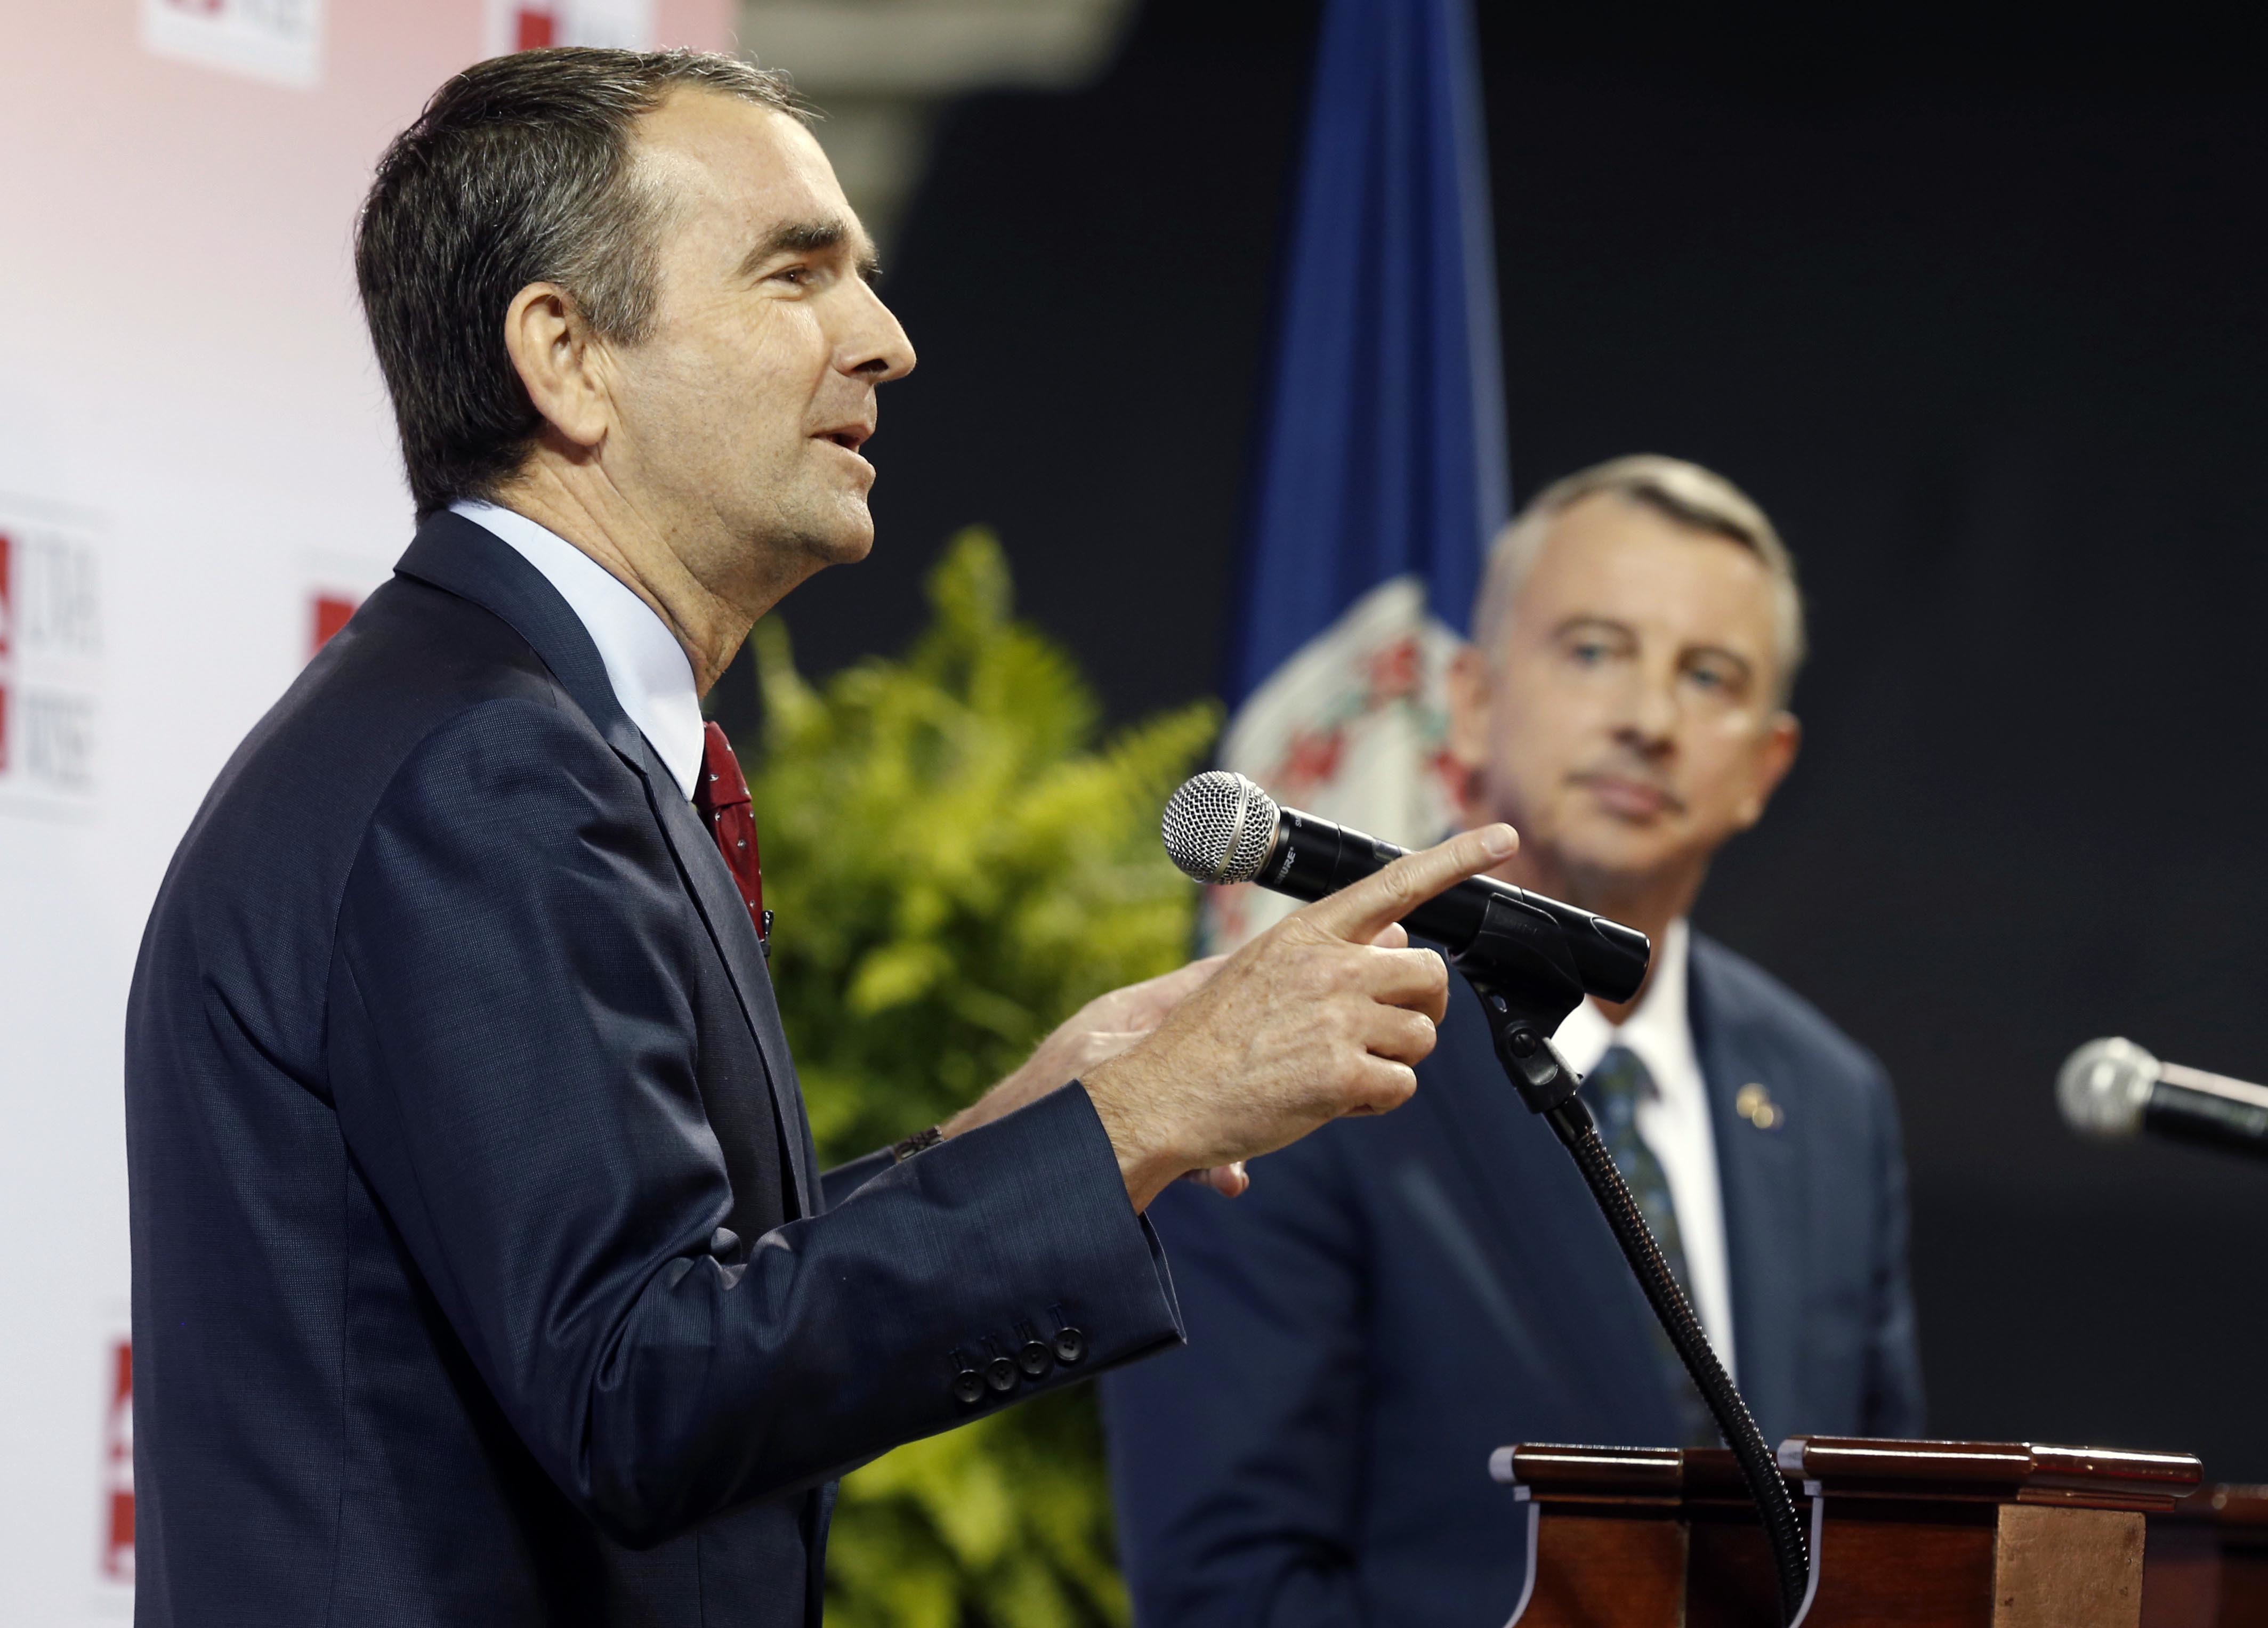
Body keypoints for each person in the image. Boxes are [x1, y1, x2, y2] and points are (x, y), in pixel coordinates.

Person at [122, 49, 1519, 1628]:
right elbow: (641, 1393)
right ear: (566, 356)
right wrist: (1141, 1118)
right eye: (799, 275)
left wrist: (1014, 1139)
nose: (889, 339)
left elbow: (660, 1310)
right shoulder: (486, 768)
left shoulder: (504, 727)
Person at [1103, 455, 1924, 1627]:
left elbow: (1887, 1548)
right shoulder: (1288, 1059)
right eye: (1592, 652)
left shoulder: (1833, 1101)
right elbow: (1229, 1588)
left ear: (1764, 766)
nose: (1644, 718)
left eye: (1707, 675)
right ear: (1476, 698)